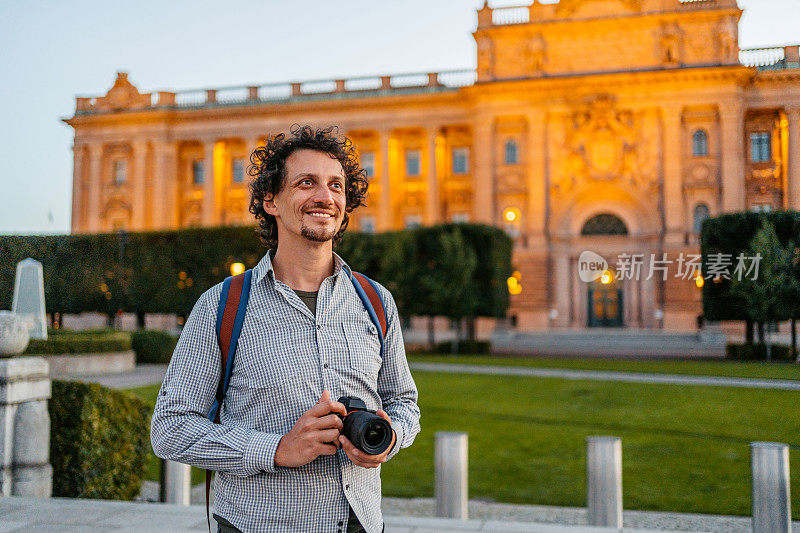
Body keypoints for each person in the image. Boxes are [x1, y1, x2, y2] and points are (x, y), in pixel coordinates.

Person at [151, 125, 421, 533]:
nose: (325, 197)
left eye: (336, 186)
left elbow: (405, 403)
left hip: (362, 523)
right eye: (306, 182)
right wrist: (276, 449)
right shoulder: (222, 306)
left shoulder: (376, 300)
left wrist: (388, 439)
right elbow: (170, 428)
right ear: (271, 200)